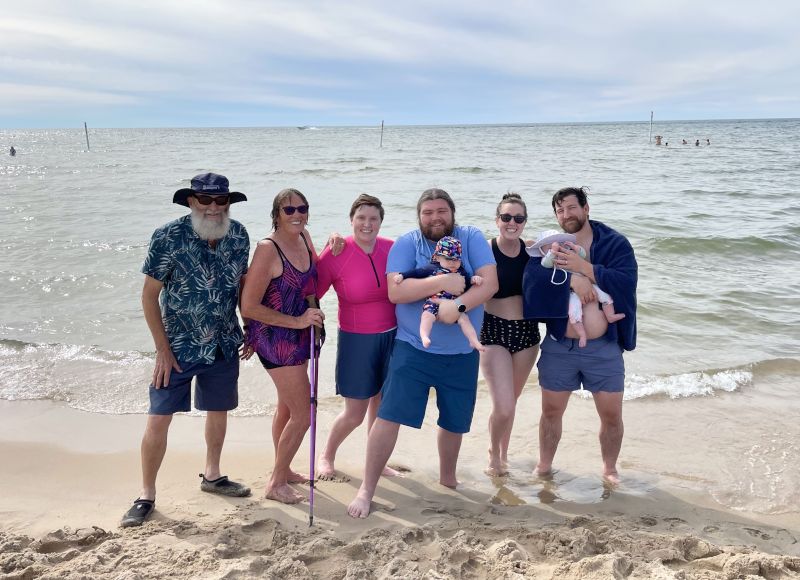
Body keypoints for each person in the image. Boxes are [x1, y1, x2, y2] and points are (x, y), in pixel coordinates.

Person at [347, 188, 498, 518]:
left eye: (441, 211)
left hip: (461, 353)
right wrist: (441, 283)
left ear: (452, 213)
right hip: (413, 348)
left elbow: (489, 284)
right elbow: (396, 292)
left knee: (455, 422)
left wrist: (456, 306)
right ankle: (366, 488)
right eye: (428, 212)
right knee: (389, 416)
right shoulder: (407, 243)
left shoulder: (470, 237)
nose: (435, 217)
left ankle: (448, 479)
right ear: (419, 216)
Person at [121, 173, 252, 528]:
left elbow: (242, 290)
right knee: (159, 418)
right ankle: (146, 495)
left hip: (224, 341)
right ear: (191, 201)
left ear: (228, 203)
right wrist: (161, 350)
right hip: (177, 346)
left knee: (219, 409)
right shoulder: (168, 236)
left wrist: (251, 328)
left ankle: (212, 475)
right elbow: (149, 296)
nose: (213, 208)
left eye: (220, 201)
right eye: (204, 200)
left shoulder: (239, 236)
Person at [523, 186, 637, 485]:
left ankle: (610, 469)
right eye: (560, 210)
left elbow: (626, 281)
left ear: (586, 209)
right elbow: (532, 279)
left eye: (571, 207)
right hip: (560, 344)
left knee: (611, 415)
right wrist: (571, 281)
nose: (566, 214)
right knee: (550, 411)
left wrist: (587, 270)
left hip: (604, 347)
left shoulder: (614, 243)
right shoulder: (552, 243)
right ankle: (544, 466)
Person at [241, 188, 325, 504]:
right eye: (289, 210)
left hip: (300, 336)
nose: (297, 215)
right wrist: (299, 321)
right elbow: (248, 306)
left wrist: (312, 309)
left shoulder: (304, 238)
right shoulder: (267, 249)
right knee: (303, 415)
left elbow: (311, 281)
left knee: (287, 407)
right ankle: (276, 482)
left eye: (302, 208)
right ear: (276, 214)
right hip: (275, 340)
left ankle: (285, 468)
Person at [315, 194, 400, 481]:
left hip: (393, 338)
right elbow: (311, 293)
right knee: (355, 412)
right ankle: (326, 456)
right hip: (356, 340)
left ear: (381, 221)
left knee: (384, 407)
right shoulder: (337, 252)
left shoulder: (392, 248)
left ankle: (377, 461)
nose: (367, 224)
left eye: (373, 218)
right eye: (361, 218)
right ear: (351, 220)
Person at [479, 193, 540, 477]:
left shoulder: (533, 251)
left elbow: (573, 253)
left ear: (525, 222)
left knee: (511, 402)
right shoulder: (484, 249)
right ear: (497, 220)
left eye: (518, 218)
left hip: (527, 334)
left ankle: (503, 453)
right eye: (506, 217)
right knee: (502, 405)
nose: (511, 223)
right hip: (494, 331)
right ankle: (493, 453)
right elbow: (444, 254)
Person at [531, 229, 625, 348]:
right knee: (574, 313)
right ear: (542, 252)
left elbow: (582, 255)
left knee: (605, 296)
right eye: (549, 247)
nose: (556, 247)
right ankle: (582, 334)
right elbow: (546, 264)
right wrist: (553, 252)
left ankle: (610, 315)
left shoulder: (569, 254)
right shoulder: (548, 262)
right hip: (570, 292)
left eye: (559, 244)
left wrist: (575, 248)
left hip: (588, 284)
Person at [394, 236, 484, 351]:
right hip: (433, 302)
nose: (452, 262)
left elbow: (468, 284)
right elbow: (417, 273)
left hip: (453, 305)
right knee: (426, 316)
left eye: (456, 259)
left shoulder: (461, 271)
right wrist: (402, 275)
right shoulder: (432, 268)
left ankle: (474, 340)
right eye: (448, 259)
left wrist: (474, 279)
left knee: (465, 319)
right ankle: (424, 336)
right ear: (437, 257)